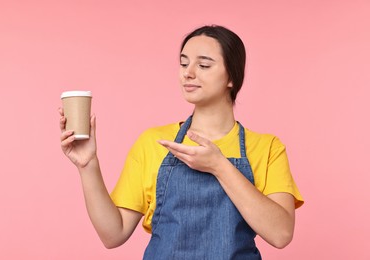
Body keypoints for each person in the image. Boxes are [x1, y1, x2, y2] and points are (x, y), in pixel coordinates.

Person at [59, 25, 304, 259]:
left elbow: (281, 234)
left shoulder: (267, 147)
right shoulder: (154, 142)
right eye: (184, 63)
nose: (188, 73)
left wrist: (219, 166)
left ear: (232, 76)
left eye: (204, 65)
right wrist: (87, 164)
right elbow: (113, 234)